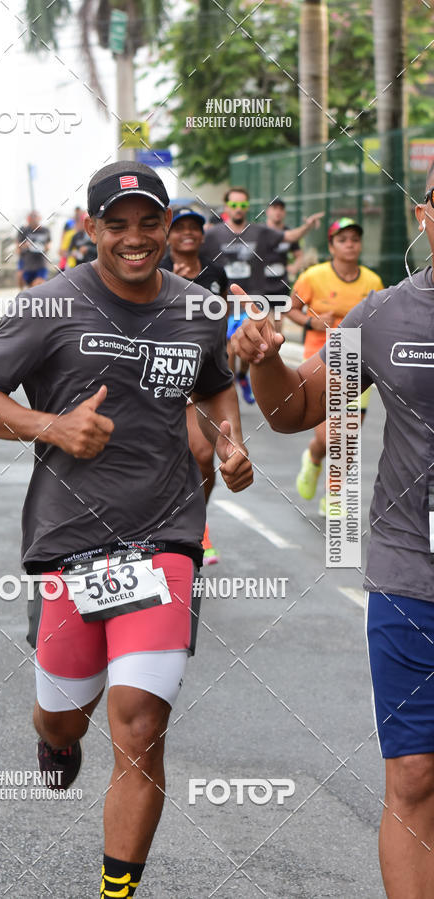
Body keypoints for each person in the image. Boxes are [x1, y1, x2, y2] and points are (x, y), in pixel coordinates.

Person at [0, 160, 253, 898]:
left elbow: (214, 383)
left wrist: (231, 439)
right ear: (92, 230)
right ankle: (54, 739)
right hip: (70, 542)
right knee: (64, 716)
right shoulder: (47, 307)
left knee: (140, 723)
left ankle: (116, 891)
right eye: (117, 225)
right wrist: (50, 424)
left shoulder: (197, 308)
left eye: (150, 222)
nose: (137, 238)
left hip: (168, 537)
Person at [232, 162, 434, 899]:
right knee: (414, 775)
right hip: (413, 575)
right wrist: (266, 362)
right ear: (423, 215)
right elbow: (294, 410)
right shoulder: (385, 315)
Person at [287, 218, 383, 515]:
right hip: (321, 362)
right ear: (331, 246)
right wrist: (312, 322)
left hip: (358, 363)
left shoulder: (373, 282)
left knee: (348, 435)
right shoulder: (313, 277)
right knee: (329, 436)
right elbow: (291, 308)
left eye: (355, 238)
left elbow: (380, 321)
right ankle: (314, 458)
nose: (350, 244)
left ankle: (334, 494)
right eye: (343, 239)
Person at [202, 187, 323, 405]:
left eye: (243, 205)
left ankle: (242, 376)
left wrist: (307, 226)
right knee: (230, 347)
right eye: (234, 205)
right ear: (227, 206)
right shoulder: (213, 235)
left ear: (247, 207)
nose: (239, 210)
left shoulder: (259, 232)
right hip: (225, 301)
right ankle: (228, 387)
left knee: (254, 345)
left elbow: (290, 236)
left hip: (254, 299)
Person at [162, 205, 230, 564]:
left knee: (203, 457)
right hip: (158, 376)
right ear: (168, 234)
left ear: (202, 235)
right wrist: (177, 286)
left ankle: (195, 525)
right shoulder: (154, 271)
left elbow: (221, 320)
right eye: (180, 227)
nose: (187, 233)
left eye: (194, 228)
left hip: (200, 375)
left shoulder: (215, 272)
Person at [263, 198, 303, 332]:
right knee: (265, 322)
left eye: (281, 209)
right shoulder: (261, 232)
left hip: (281, 283)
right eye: (275, 208)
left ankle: (275, 350)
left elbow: (299, 255)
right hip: (262, 284)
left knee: (278, 323)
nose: (278, 212)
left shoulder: (289, 233)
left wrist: (294, 267)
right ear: (268, 211)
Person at [17, 211, 51, 286]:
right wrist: (26, 245)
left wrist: (44, 247)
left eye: (35, 217)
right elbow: (18, 246)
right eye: (31, 217)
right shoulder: (24, 230)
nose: (33, 220)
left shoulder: (45, 230)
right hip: (28, 264)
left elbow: (48, 244)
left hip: (41, 263)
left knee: (38, 283)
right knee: (30, 287)